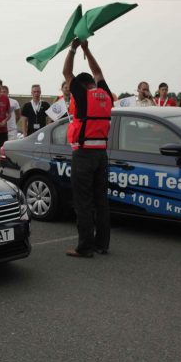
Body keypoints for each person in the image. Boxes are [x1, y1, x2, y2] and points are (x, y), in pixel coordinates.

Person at [63, 39, 114, 258]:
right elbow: (98, 71)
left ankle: (85, 247)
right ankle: (102, 244)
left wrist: (73, 48)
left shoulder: (82, 96)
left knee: (83, 202)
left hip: (83, 155)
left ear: (81, 86)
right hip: (101, 155)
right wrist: (87, 49)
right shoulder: (104, 94)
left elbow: (67, 72)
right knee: (101, 201)